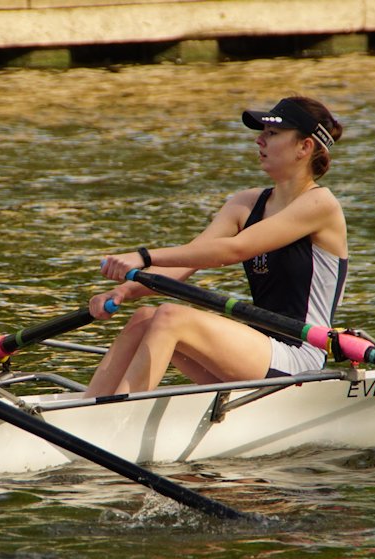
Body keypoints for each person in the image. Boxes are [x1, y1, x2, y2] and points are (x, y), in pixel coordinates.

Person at [86, 96, 346, 397]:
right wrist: (122, 291)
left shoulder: (320, 204)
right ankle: (88, 409)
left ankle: (121, 420)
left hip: (300, 358)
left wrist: (143, 256)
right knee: (145, 317)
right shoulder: (246, 203)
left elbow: (232, 251)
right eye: (262, 132)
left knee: (171, 317)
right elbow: (189, 259)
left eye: (272, 134)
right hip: (254, 351)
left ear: (305, 147)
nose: (259, 140)